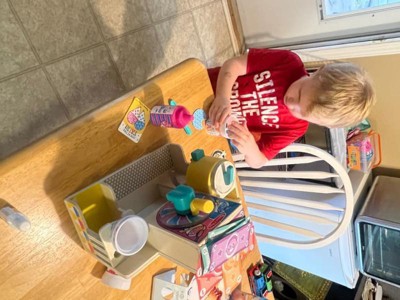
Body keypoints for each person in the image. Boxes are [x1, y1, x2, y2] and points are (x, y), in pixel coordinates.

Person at [207, 48, 375, 168]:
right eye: (300, 93)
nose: (291, 103)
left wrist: (250, 149)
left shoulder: (296, 128)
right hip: (206, 86)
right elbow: (233, 64)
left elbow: (259, 161)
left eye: (302, 113)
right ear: (317, 71)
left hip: (209, 124)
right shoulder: (288, 62)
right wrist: (222, 97)